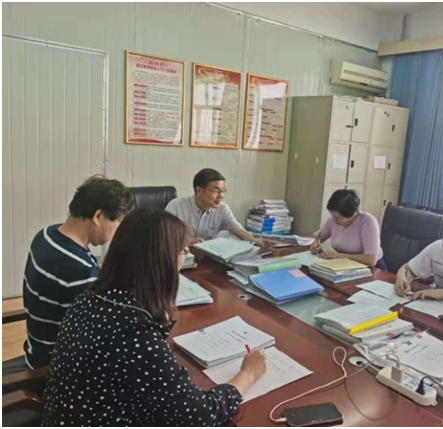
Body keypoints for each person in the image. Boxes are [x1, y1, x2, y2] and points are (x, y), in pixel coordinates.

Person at [42, 209, 267, 426]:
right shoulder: (133, 332)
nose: (186, 256)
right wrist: (247, 375)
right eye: (184, 251)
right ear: (162, 261)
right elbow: (198, 417)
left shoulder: (91, 297)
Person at [11, 175, 135, 372]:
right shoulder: (82, 271)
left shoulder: (46, 235)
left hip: (37, 348)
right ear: (98, 216)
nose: (119, 231)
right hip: (56, 368)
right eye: (119, 221)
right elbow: (101, 337)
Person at [166, 168, 268, 248]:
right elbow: (164, 238)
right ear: (199, 191)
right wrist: (187, 244)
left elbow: (241, 232)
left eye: (223, 191)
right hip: (181, 257)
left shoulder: (222, 209)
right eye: (215, 191)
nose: (221, 196)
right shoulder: (176, 206)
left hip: (207, 258)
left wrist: (258, 242)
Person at [310, 189, 386, 269]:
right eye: (332, 215)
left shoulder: (367, 221)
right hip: (345, 266)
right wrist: (315, 243)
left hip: (371, 269)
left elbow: (371, 260)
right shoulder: (332, 221)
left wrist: (338, 256)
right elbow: (317, 236)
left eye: (338, 217)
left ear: (352, 214)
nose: (334, 220)